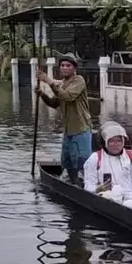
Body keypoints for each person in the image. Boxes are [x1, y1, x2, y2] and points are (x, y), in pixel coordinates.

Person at [37, 53, 92, 185]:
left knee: (82, 162)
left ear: (74, 68)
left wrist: (49, 81)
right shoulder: (62, 84)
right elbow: (54, 103)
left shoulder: (79, 81)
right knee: (68, 162)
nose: (64, 68)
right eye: (62, 65)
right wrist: (42, 95)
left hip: (81, 129)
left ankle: (85, 186)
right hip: (68, 131)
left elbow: (68, 96)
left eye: (68, 65)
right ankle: (73, 184)